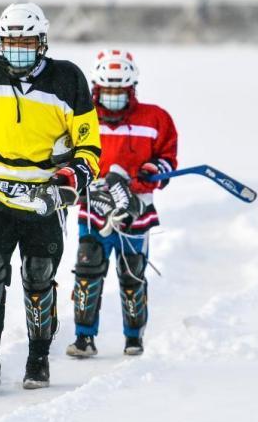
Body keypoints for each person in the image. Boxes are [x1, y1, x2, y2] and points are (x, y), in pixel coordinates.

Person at [0, 3, 101, 391]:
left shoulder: (68, 80)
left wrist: (68, 180)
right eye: (10, 41)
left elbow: (89, 151)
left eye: (27, 41)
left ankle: (38, 361)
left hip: (43, 201)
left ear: (42, 42)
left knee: (38, 278)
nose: (18, 48)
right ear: (0, 42)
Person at [65, 49, 178, 357]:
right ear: (96, 89)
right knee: (87, 272)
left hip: (136, 213)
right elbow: (69, 157)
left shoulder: (155, 119)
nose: (113, 96)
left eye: (120, 91)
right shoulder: (82, 119)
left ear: (132, 89)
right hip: (94, 211)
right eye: (107, 90)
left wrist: (154, 170)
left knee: (132, 275)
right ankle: (84, 338)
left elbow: (168, 160)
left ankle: (133, 337)